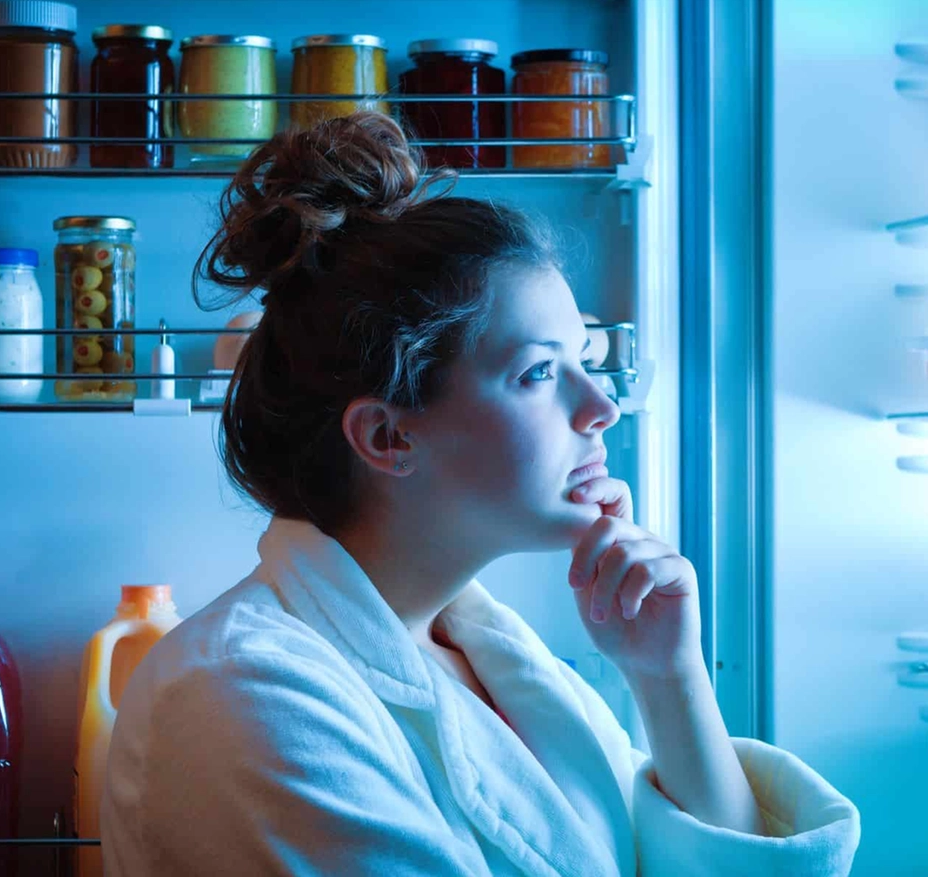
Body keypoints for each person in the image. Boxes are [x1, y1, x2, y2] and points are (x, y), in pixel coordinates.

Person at [101, 112, 859, 876]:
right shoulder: (243, 697)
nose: (602, 406)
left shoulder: (494, 658)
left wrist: (668, 678)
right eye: (538, 372)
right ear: (389, 438)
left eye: (587, 359)